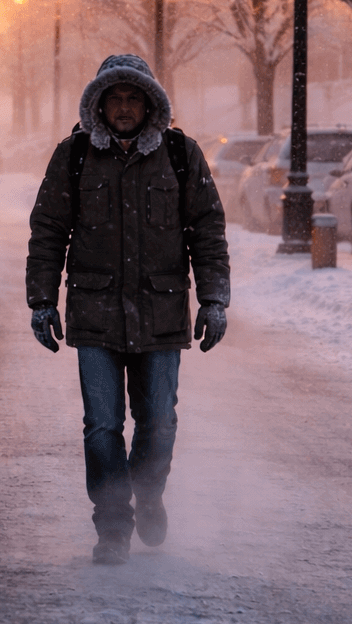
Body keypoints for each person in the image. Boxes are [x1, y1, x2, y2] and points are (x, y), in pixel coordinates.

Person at [25, 53, 230, 565]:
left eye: (132, 97)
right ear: (98, 104)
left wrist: (214, 299)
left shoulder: (180, 154)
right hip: (94, 313)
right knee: (102, 425)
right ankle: (113, 525)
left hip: (161, 313)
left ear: (149, 103)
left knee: (159, 422)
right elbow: (48, 232)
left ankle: (149, 491)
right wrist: (42, 301)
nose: (122, 107)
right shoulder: (74, 156)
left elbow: (207, 231)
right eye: (113, 98)